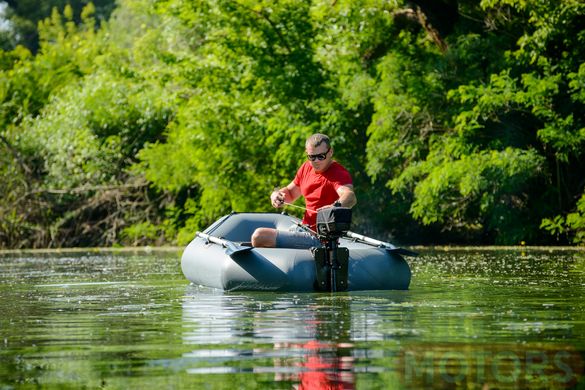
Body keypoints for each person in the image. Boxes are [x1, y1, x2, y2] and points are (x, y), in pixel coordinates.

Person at [251, 133, 356, 248]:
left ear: (330, 152)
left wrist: (335, 206)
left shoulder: (338, 173)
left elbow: (350, 196)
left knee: (259, 236)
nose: (316, 161)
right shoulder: (306, 167)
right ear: (307, 154)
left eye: (321, 156)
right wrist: (276, 194)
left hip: (319, 238)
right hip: (302, 228)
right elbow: (290, 194)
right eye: (312, 157)